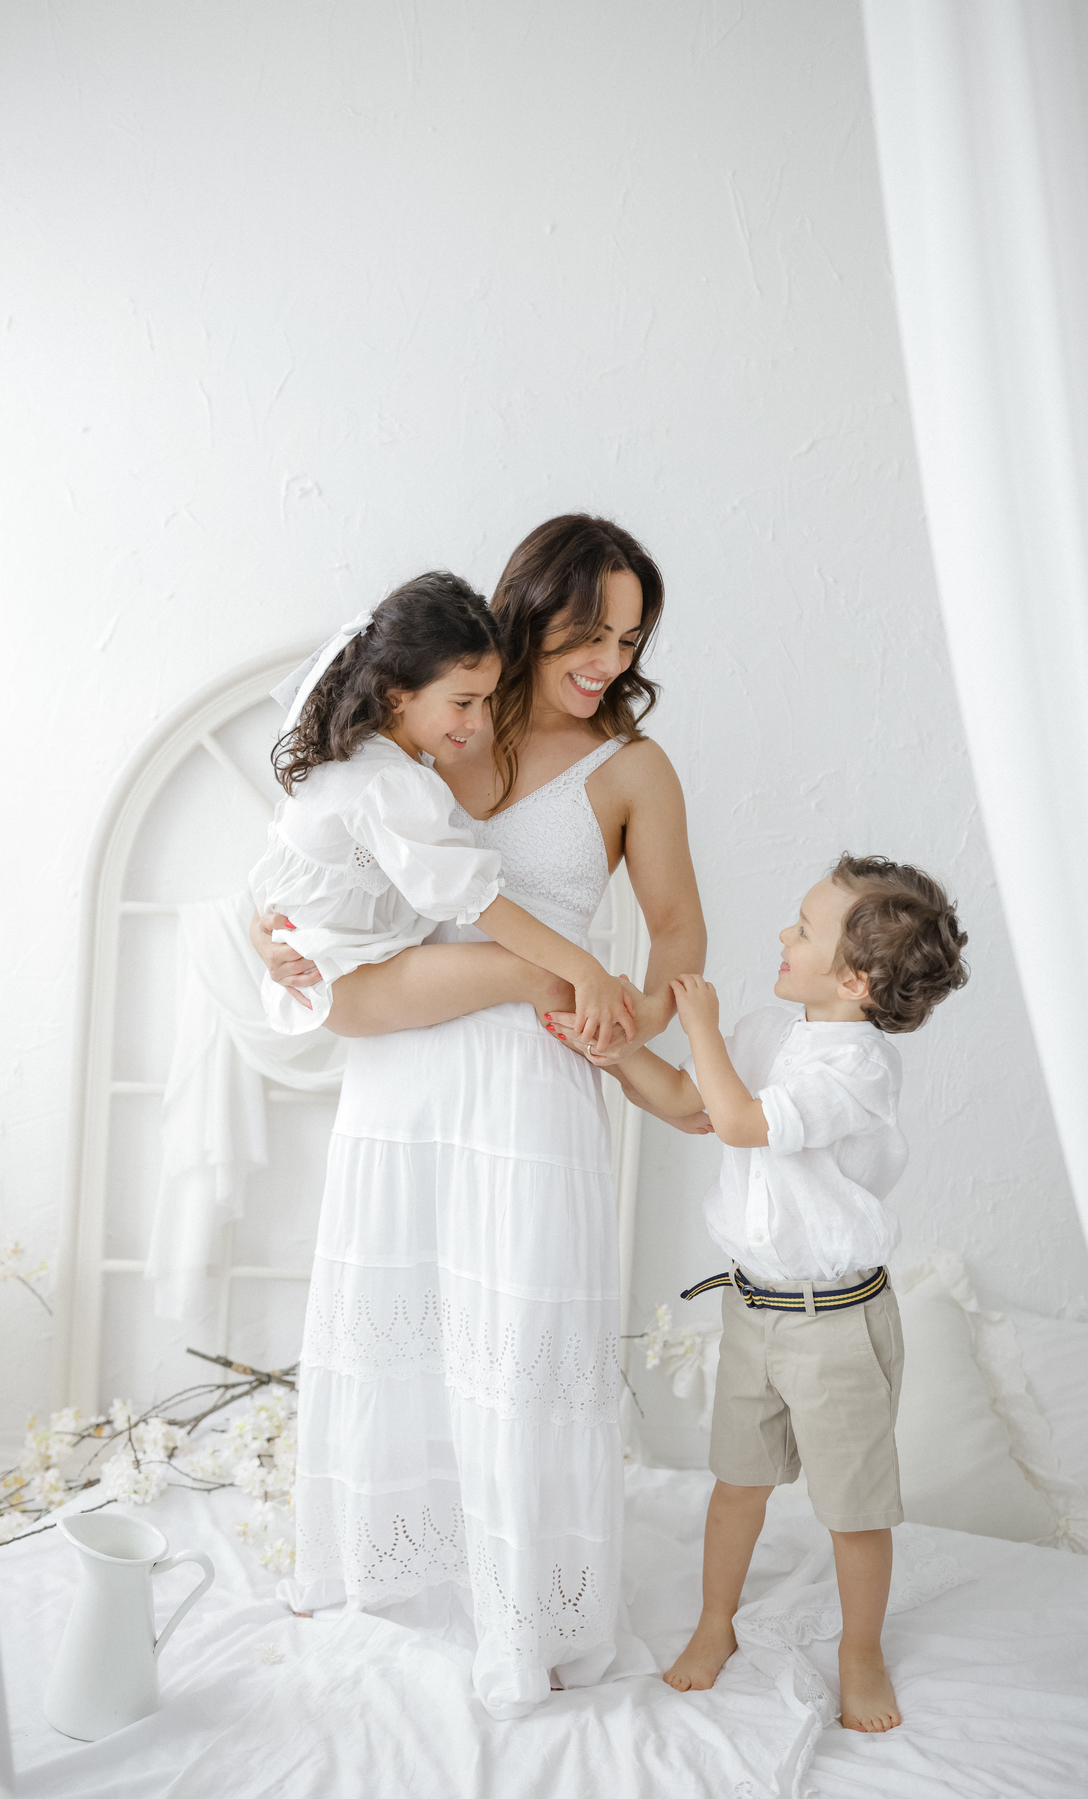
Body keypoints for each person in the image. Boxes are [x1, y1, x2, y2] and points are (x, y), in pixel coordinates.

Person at [250, 515, 706, 1718]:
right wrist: (279, 924)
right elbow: (326, 851)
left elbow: (677, 933)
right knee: (401, 1320)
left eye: (630, 635)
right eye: (588, 629)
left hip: (529, 1078)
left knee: (514, 1344)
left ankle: (520, 1617)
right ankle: (384, 1565)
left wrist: (638, 1013)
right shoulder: (432, 724)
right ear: (526, 609)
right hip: (402, 1061)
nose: (610, 657)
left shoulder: (631, 767)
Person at [560, 854, 968, 1733]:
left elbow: (747, 1120)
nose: (783, 935)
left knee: (853, 1510)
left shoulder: (858, 1066)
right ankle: (717, 1621)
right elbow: (689, 1102)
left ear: (854, 980)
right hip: (753, 1309)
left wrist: (696, 1020)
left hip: (837, 1326)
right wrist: (619, 1052)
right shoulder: (762, 1033)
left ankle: (860, 1651)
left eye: (803, 928)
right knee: (736, 1482)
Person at [250, 569, 634, 1052]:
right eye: (463, 702)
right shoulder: (391, 782)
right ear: (396, 694)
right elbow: (476, 901)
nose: (478, 721)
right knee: (553, 978)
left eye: (487, 700)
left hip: (331, 966)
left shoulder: (355, 755)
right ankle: (665, 1090)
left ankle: (659, 1084)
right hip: (346, 979)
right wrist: (586, 968)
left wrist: (261, 934)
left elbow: (285, 881)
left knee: (556, 977)